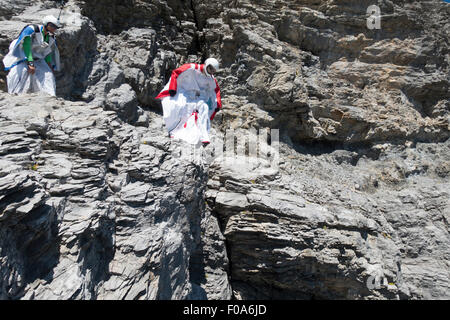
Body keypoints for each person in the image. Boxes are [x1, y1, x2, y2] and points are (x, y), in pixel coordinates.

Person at [156, 58, 222, 146]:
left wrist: (217, 104)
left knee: (204, 108)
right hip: (184, 93)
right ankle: (174, 130)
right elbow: (176, 73)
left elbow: (215, 90)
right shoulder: (192, 68)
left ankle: (204, 136)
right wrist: (173, 88)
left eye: (213, 71)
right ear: (206, 64)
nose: (211, 72)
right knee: (180, 106)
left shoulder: (211, 79)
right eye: (210, 69)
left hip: (197, 97)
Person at [3, 15, 61, 96]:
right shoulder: (32, 30)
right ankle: (15, 95)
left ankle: (49, 96)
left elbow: (47, 51)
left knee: (48, 75)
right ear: (46, 24)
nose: (53, 28)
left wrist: (49, 66)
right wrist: (30, 63)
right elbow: (26, 46)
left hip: (37, 58)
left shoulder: (50, 37)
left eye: (55, 27)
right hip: (21, 55)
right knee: (20, 73)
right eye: (52, 26)